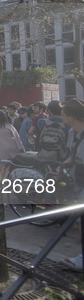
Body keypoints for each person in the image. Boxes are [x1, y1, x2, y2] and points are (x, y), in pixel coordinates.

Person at [59, 99, 84, 272]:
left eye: (63, 115)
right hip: (78, 184)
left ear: (72, 116)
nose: (61, 118)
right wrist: (65, 164)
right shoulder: (71, 133)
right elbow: (73, 155)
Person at [0, 110, 24, 179]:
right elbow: (17, 138)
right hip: (12, 148)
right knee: (10, 165)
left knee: (2, 165)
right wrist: (21, 148)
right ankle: (6, 177)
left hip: (1, 149)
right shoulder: (9, 126)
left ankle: (1, 179)